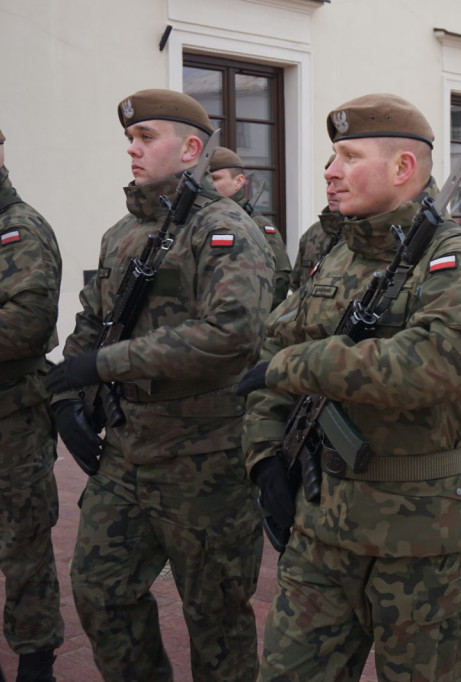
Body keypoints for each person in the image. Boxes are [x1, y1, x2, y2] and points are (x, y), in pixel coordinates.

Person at [238, 93, 461, 681]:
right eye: (332, 157)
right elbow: (270, 353)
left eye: (348, 156)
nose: (330, 171)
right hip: (323, 531)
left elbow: (437, 363)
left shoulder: (456, 259)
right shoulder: (335, 254)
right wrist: (264, 459)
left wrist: (300, 365)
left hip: (424, 543)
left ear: (402, 169)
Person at [44, 89, 275, 681]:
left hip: (204, 456)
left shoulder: (224, 230)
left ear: (191, 147)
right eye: (131, 138)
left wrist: (106, 365)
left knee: (216, 618)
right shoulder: (121, 232)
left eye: (147, 138)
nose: (132, 149)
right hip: (127, 450)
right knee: (100, 592)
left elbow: (232, 334)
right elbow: (94, 319)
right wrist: (69, 396)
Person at [0, 127, 64, 682]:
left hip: (12, 420)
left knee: (22, 547)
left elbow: (27, 323)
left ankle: (35, 659)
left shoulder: (18, 229)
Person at [209, 146, 292, 308]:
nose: (208, 185)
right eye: (205, 179)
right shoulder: (197, 221)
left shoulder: (259, 227)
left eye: (215, 178)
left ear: (238, 182)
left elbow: (278, 283)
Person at [288, 154, 343, 292]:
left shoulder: (370, 235)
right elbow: (296, 287)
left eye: (337, 183)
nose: (330, 191)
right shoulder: (313, 234)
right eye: (328, 183)